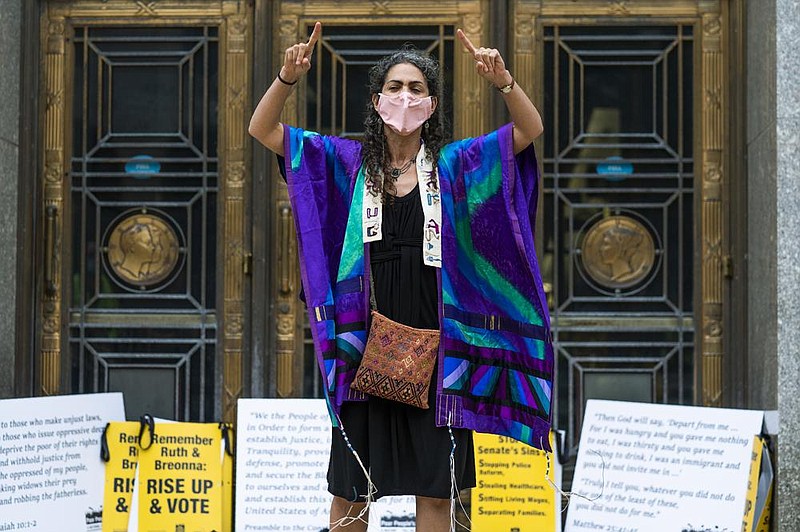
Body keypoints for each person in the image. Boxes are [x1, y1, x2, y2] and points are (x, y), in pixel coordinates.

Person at [249, 22, 553, 531]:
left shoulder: (455, 167)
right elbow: (264, 130)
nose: (405, 97)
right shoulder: (345, 162)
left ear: (432, 105)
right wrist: (286, 77)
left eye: (417, 88)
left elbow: (529, 131)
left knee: (436, 490)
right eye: (395, 87)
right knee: (351, 492)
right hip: (363, 340)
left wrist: (504, 83)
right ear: (376, 99)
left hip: (439, 339)